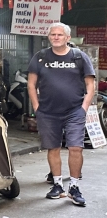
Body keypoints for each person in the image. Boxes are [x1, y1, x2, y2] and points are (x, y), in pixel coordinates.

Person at [27, 22, 96, 207]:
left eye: (59, 35)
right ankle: (57, 185)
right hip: (48, 112)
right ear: (48, 37)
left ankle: (74, 187)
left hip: (74, 111)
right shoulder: (40, 57)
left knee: (76, 148)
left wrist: (84, 107)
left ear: (67, 37)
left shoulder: (79, 57)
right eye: (53, 34)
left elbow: (90, 85)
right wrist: (36, 107)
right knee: (53, 148)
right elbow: (31, 84)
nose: (56, 37)